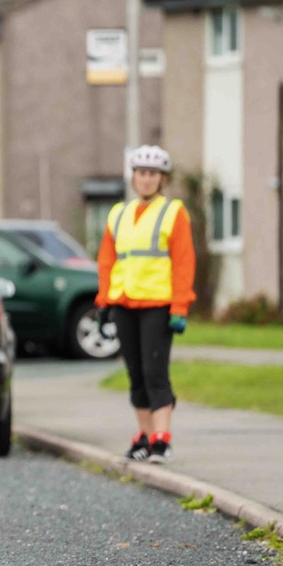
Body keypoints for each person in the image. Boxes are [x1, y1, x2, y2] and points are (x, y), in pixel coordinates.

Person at [94, 145, 196, 464]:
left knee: (155, 371)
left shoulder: (173, 212)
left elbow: (183, 262)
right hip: (124, 303)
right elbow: (107, 261)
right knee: (135, 373)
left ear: (161, 179)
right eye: (141, 173)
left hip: (157, 304)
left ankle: (162, 439)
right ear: (133, 177)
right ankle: (144, 435)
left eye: (152, 174)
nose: (146, 180)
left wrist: (180, 307)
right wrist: (103, 301)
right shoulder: (118, 214)